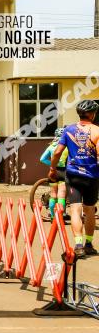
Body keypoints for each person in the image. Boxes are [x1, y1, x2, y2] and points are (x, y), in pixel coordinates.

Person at [50, 100, 99, 258]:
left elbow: (57, 153)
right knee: (89, 209)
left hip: (73, 175)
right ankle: (89, 244)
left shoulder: (68, 129)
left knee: (75, 209)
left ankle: (78, 245)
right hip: (92, 176)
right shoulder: (97, 131)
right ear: (92, 114)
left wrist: (52, 169)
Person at [40, 127, 68, 220]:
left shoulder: (51, 146)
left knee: (53, 195)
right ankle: (61, 217)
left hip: (52, 172)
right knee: (61, 195)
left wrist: (52, 164)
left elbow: (42, 159)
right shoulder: (66, 146)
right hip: (63, 171)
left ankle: (52, 217)